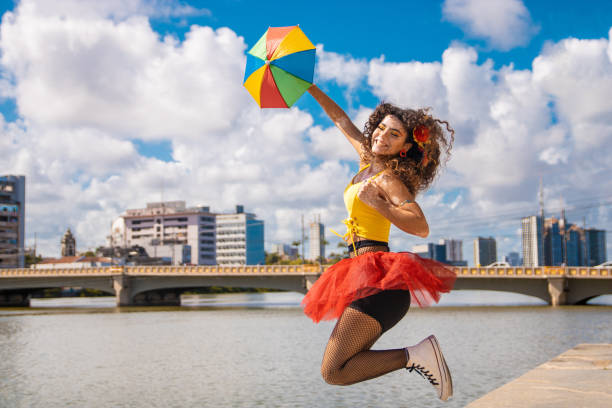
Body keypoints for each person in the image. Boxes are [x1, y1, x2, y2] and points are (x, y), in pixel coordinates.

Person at [302, 84, 457, 401]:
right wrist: (308, 85)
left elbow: (421, 226)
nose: (382, 136)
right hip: (360, 276)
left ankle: (415, 355)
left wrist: (381, 205)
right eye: (381, 128)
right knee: (337, 371)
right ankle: (416, 354)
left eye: (394, 134)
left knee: (333, 371)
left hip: (382, 283)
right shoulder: (366, 163)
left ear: (404, 146)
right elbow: (341, 121)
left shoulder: (387, 179)